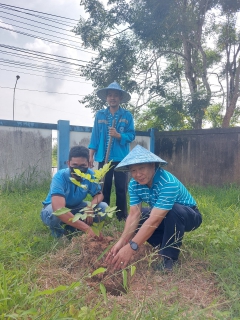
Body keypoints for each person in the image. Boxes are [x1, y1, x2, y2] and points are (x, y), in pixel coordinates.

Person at [106, 144, 202, 271]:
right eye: (133, 170)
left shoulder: (167, 182)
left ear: (153, 165)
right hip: (164, 214)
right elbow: (134, 214)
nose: (138, 174)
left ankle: (169, 259)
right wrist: (122, 241)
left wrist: (132, 247)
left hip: (188, 215)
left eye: (141, 168)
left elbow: (155, 220)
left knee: (172, 210)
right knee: (141, 216)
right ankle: (164, 245)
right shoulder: (134, 184)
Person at [88, 81, 135, 221]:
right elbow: (95, 136)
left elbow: (132, 135)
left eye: (115, 95)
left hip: (121, 158)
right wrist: (91, 155)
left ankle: (121, 216)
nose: (112, 98)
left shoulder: (127, 116)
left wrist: (119, 135)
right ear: (106, 98)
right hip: (104, 157)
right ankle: (104, 214)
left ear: (120, 98)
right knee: (104, 186)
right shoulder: (100, 115)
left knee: (121, 187)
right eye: (110, 95)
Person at [40, 145, 108, 238]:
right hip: (52, 209)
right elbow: (59, 209)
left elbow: (99, 195)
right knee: (55, 213)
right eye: (75, 165)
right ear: (68, 163)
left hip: (76, 207)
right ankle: (59, 232)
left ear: (88, 164)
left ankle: (73, 226)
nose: (78, 169)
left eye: (83, 165)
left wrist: (90, 207)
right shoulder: (60, 177)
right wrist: (87, 229)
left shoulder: (90, 175)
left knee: (103, 207)